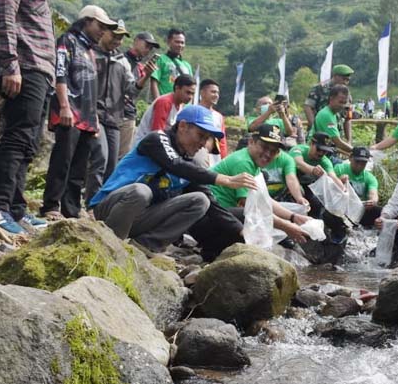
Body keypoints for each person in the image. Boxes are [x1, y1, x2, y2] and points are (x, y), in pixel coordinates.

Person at [89, 105, 255, 252]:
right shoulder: (157, 139)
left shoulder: (187, 165)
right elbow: (174, 164)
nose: (203, 144)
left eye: (206, 139)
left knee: (201, 200)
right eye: (201, 135)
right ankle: (111, 246)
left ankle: (144, 246)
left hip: (142, 218)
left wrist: (241, 231)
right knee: (141, 191)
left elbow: (213, 205)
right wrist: (224, 179)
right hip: (111, 209)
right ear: (182, 126)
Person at [0, 0, 56, 235]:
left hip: (41, 72)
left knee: (28, 144)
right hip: (25, 66)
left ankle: (15, 208)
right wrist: (10, 63)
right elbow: (4, 15)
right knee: (17, 137)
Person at [190, 124, 313, 261]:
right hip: (206, 220)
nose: (268, 154)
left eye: (273, 151)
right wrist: (288, 227)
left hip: (219, 217)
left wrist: (293, 217)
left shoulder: (254, 163)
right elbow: (252, 209)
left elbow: (263, 199)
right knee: (250, 217)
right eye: (264, 147)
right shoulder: (243, 163)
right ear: (251, 142)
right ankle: (212, 251)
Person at [41, 5, 117, 221]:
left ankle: (71, 209)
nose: (103, 31)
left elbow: (92, 89)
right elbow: (60, 73)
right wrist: (64, 105)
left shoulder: (91, 51)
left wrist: (93, 120)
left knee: (80, 167)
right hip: (69, 111)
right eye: (100, 25)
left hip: (86, 117)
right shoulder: (67, 41)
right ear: (86, 21)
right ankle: (51, 206)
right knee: (62, 160)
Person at [89, 20, 155, 204]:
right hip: (93, 115)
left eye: (120, 38)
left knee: (112, 163)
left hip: (115, 118)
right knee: (100, 159)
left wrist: (145, 77)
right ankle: (90, 203)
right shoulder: (92, 55)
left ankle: (101, 203)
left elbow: (132, 90)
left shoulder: (120, 61)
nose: (117, 41)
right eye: (114, 36)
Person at [120, 31, 160, 159]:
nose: (148, 49)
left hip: (128, 113)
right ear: (136, 40)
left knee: (121, 156)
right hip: (113, 112)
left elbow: (133, 92)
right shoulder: (120, 59)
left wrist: (146, 75)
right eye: (146, 45)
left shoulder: (140, 67)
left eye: (150, 47)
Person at [289, 133, 344, 217]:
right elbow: (299, 163)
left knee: (316, 202)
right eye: (318, 149)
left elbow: (333, 177)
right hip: (289, 183)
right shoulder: (298, 150)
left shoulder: (325, 161)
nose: (321, 153)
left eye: (324, 151)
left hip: (309, 187)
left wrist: (343, 190)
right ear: (311, 144)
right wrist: (313, 170)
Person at [133, 74, 196, 146]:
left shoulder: (180, 105)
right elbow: (157, 133)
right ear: (177, 88)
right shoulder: (165, 102)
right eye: (188, 92)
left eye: (192, 94)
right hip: (146, 144)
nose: (190, 97)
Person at [334, 147, 381, 227]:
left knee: (379, 211)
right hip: (341, 208)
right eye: (357, 161)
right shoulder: (340, 169)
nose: (359, 165)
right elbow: (329, 189)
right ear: (350, 158)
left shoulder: (369, 177)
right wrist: (339, 182)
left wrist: (372, 201)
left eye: (363, 163)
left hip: (359, 210)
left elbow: (373, 193)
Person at [303, 64, 353, 130]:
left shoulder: (346, 93)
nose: (345, 82)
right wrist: (314, 128)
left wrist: (349, 139)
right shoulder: (319, 89)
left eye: (347, 80)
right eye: (343, 79)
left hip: (336, 133)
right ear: (335, 76)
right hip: (319, 132)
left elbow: (348, 118)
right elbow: (308, 107)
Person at [150, 28, 192, 100]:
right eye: (177, 42)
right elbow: (154, 82)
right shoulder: (161, 60)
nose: (180, 45)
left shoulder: (187, 65)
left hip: (184, 108)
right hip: (167, 104)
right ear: (169, 42)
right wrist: (158, 102)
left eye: (182, 43)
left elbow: (191, 87)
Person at [310, 84, 352, 154]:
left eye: (345, 103)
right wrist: (356, 151)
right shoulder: (326, 115)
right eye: (340, 102)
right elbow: (338, 142)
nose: (342, 106)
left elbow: (334, 145)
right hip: (316, 152)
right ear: (331, 98)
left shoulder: (334, 114)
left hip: (325, 150)